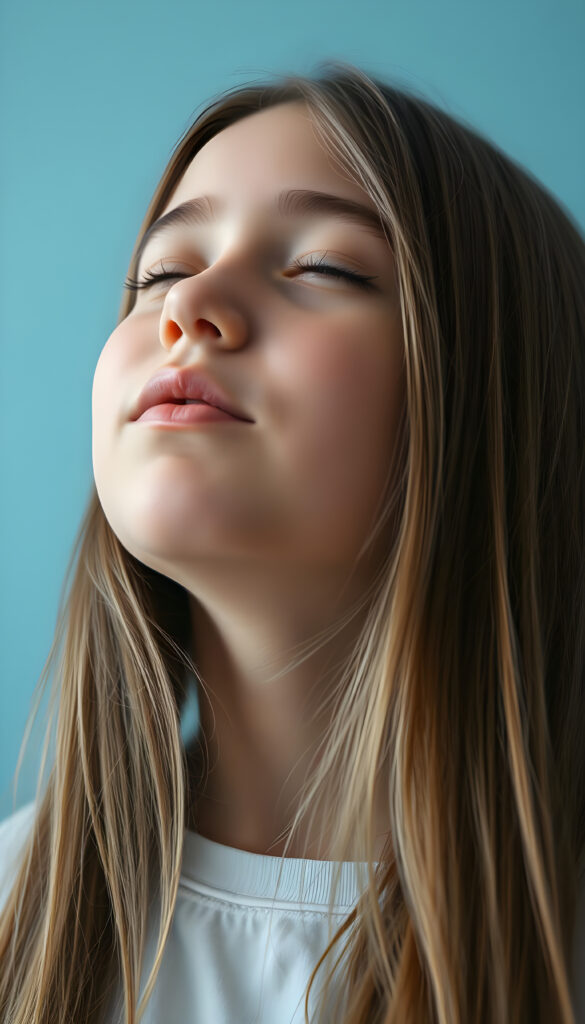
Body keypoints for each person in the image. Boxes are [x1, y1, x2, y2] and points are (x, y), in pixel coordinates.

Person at [0, 63, 583, 1024]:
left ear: (497, 409)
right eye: (162, 272)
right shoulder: (18, 911)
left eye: (323, 266)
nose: (189, 308)